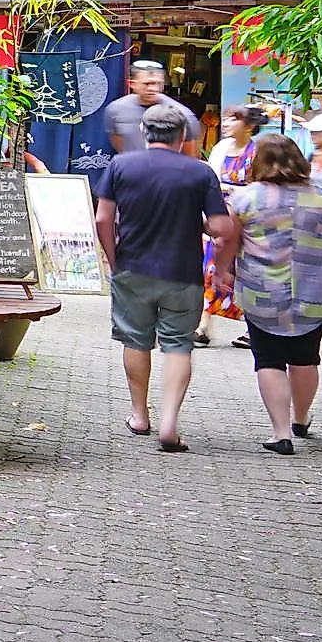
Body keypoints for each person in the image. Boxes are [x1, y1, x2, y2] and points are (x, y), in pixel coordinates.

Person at [95, 100, 240, 452]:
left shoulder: (120, 165)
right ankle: (169, 422)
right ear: (182, 136)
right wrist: (221, 268)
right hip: (182, 272)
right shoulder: (200, 172)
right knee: (178, 345)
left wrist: (114, 260)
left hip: (133, 268)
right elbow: (223, 228)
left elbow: (102, 220)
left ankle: (139, 414)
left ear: (144, 133)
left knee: (135, 340)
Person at [217, 133, 322, 454]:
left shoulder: (245, 199)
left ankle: (281, 433)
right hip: (313, 292)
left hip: (260, 290)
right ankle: (302, 418)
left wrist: (222, 270)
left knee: (268, 359)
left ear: (259, 161)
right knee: (306, 358)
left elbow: (228, 241)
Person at [200, 104, 266, 346]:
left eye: (233, 119)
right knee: (212, 269)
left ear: (249, 127)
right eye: (226, 119)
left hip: (248, 221)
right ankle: (203, 326)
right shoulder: (221, 148)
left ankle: (253, 327)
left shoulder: (258, 152)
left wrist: (232, 189)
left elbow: (263, 187)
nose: (226, 124)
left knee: (246, 273)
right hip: (221, 218)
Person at [105, 59, 202, 157]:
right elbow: (121, 148)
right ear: (131, 84)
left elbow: (190, 159)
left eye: (157, 83)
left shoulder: (182, 114)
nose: (153, 88)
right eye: (147, 84)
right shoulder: (115, 111)